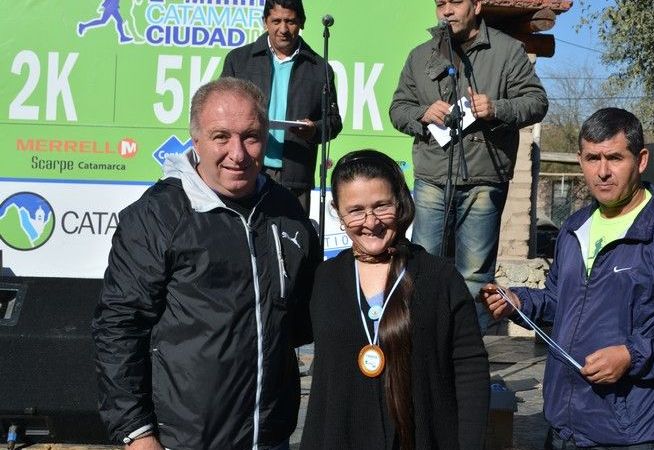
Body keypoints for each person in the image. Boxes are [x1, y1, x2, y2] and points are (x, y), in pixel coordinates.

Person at [480, 108, 654, 449]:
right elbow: (562, 304)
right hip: (564, 426)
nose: (602, 172)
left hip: (635, 433)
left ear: (641, 160)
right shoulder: (574, 228)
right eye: (592, 158)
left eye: (615, 158)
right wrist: (520, 301)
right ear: (579, 160)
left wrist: (632, 355)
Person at [92, 78, 320, 450]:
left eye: (250, 136)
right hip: (184, 440)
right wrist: (136, 432)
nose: (238, 153)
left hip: (271, 438)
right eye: (221, 137)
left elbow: (302, 318)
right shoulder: (157, 216)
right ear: (195, 142)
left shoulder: (286, 211)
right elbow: (118, 328)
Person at [301, 149, 489, 449]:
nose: (371, 222)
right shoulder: (325, 279)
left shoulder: (440, 277)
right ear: (338, 211)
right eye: (356, 210)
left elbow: (470, 371)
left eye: (381, 206)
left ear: (400, 203)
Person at [389, 0, 548, 332]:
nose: (446, 10)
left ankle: (468, 355)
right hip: (432, 176)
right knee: (422, 265)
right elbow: (398, 108)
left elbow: (536, 102)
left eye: (455, 2)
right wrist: (421, 114)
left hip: (484, 178)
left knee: (474, 275)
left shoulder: (508, 51)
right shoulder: (421, 55)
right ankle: (422, 350)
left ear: (476, 5)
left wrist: (497, 107)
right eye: (440, 4)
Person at [221, 0, 343, 213]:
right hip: (244, 168)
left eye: (290, 21)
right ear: (265, 22)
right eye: (276, 21)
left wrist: (314, 129)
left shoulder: (319, 68)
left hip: (296, 177)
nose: (283, 29)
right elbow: (219, 110)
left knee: (293, 243)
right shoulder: (239, 60)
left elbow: (333, 121)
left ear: (302, 23)